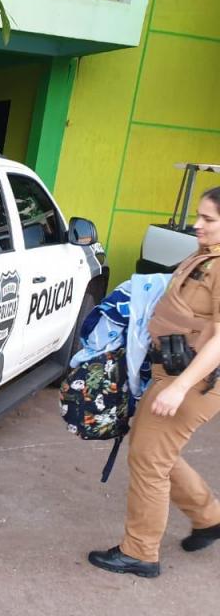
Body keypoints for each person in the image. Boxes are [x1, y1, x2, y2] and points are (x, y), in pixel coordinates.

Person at [89, 186, 220, 578]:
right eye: (198, 216)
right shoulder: (206, 255)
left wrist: (179, 388)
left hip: (195, 379)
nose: (197, 225)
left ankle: (140, 552)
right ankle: (209, 517)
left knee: (149, 459)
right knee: (155, 451)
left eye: (208, 219)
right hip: (172, 370)